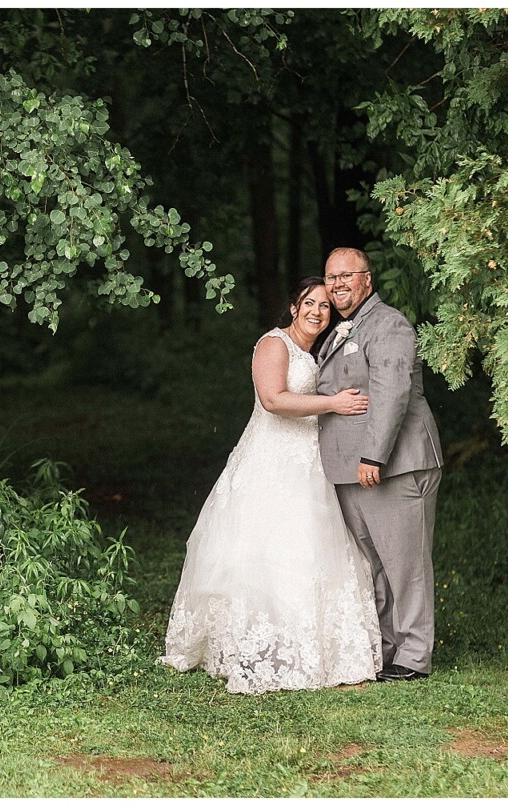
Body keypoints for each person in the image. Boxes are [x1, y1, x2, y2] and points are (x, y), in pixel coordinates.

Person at [159, 277, 382, 693]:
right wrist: (334, 404)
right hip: (269, 460)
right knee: (259, 549)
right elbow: (273, 400)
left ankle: (307, 648)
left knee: (308, 546)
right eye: (309, 303)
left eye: (325, 307)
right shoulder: (274, 344)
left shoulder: (311, 352)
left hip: (307, 464)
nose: (317, 311)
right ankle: (248, 644)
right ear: (293, 308)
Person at [316, 247, 443, 683]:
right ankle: (389, 649)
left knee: (405, 566)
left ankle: (414, 656)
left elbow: (391, 394)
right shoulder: (342, 328)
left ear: (367, 280)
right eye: (331, 277)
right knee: (376, 566)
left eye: (346, 276)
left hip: (394, 463)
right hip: (353, 468)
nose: (337, 284)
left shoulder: (388, 324)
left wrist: (374, 456)